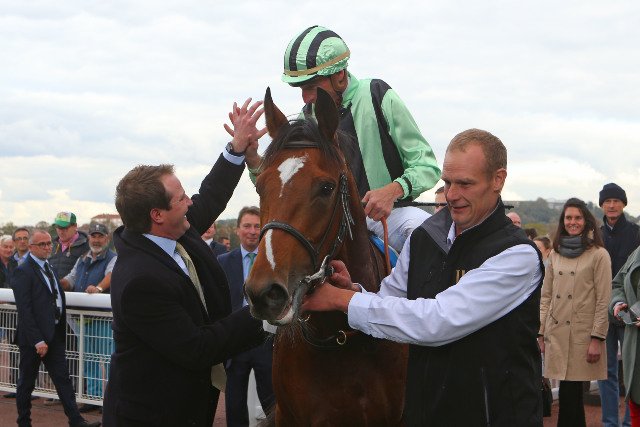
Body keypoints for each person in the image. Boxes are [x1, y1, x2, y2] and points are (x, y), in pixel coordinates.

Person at [302, 128, 543, 425]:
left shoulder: (517, 255)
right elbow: (389, 300)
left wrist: (342, 300)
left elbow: (438, 321)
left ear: (498, 180)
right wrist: (355, 292)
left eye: (465, 184)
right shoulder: (424, 237)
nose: (452, 195)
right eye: (447, 182)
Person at [102, 99, 268, 427]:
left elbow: (211, 195)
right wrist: (265, 309)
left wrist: (236, 149)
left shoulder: (173, 231)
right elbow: (198, 348)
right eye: (181, 198)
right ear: (157, 215)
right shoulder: (140, 281)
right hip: (154, 416)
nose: (190, 202)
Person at [273, 25, 440, 252]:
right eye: (301, 89)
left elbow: (426, 166)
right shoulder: (306, 119)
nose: (306, 98)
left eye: (312, 87)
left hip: (389, 216)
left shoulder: (377, 94)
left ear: (339, 75)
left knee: (426, 231)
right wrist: (251, 156)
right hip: (332, 226)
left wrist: (392, 191)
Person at [11, 230, 100, 427]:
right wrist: (37, 340)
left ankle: (76, 421)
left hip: (54, 334)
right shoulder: (23, 271)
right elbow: (25, 310)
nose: (47, 247)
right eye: (42, 244)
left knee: (63, 380)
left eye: (49, 243)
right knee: (26, 383)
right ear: (31, 248)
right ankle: (23, 422)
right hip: (33, 339)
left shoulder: (48, 266)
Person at [538, 197, 611, 426]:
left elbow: (603, 300)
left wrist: (597, 338)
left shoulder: (599, 255)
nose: (573, 222)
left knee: (572, 395)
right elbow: (546, 296)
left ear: (586, 221)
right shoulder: (555, 254)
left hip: (582, 335)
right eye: (568, 217)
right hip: (558, 333)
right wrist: (540, 332)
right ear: (563, 221)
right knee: (568, 395)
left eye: (578, 217)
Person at [217, 207, 274, 426]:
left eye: (257, 226)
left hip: (266, 341)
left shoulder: (274, 261)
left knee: (272, 405)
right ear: (237, 229)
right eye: (247, 226)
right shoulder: (223, 261)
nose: (252, 231)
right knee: (234, 405)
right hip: (235, 344)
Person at [60, 222, 116, 412]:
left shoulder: (113, 258)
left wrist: (98, 288)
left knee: (108, 360)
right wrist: (59, 284)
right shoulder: (82, 258)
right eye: (94, 236)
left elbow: (111, 276)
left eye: (100, 236)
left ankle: (111, 400)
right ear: (89, 238)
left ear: (107, 238)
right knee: (88, 359)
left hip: (102, 318)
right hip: (82, 318)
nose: (97, 240)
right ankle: (93, 397)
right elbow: (71, 278)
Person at [599, 183, 640, 427]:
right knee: (605, 372)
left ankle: (627, 423)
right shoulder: (595, 235)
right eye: (607, 201)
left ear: (623, 204)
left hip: (631, 314)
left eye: (616, 201)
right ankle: (610, 423)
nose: (612, 205)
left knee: (631, 371)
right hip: (602, 313)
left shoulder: (636, 233)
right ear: (602, 205)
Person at [611, 246, 640, 426]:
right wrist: (618, 302)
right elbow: (618, 284)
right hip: (635, 350)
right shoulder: (637, 253)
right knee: (636, 407)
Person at [50, 212, 89, 278]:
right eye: (58, 227)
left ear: (75, 226)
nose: (61, 232)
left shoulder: (86, 246)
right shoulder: (51, 245)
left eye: (65, 228)